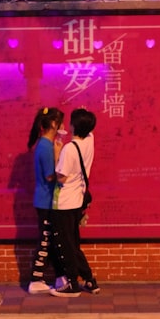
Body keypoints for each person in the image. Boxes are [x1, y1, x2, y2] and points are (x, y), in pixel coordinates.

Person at [49, 108, 100, 297]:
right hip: (78, 201)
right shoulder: (89, 141)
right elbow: (89, 129)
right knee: (73, 243)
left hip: (64, 202)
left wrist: (56, 153)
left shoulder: (69, 149)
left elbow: (60, 178)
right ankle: (89, 280)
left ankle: (72, 284)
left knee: (66, 245)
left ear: (73, 126)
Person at [24, 106, 66, 294]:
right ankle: (35, 278)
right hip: (46, 201)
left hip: (46, 200)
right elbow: (50, 176)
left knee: (50, 239)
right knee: (45, 240)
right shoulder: (46, 147)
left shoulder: (44, 145)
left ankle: (59, 276)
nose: (64, 126)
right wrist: (58, 155)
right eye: (61, 122)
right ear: (53, 124)